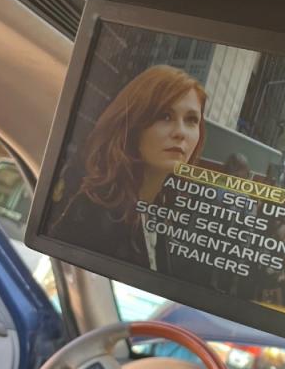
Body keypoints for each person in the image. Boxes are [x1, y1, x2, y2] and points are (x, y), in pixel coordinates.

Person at [49, 65, 206, 271]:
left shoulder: (160, 213)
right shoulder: (94, 213)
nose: (181, 132)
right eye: (165, 116)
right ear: (133, 124)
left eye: (192, 120)